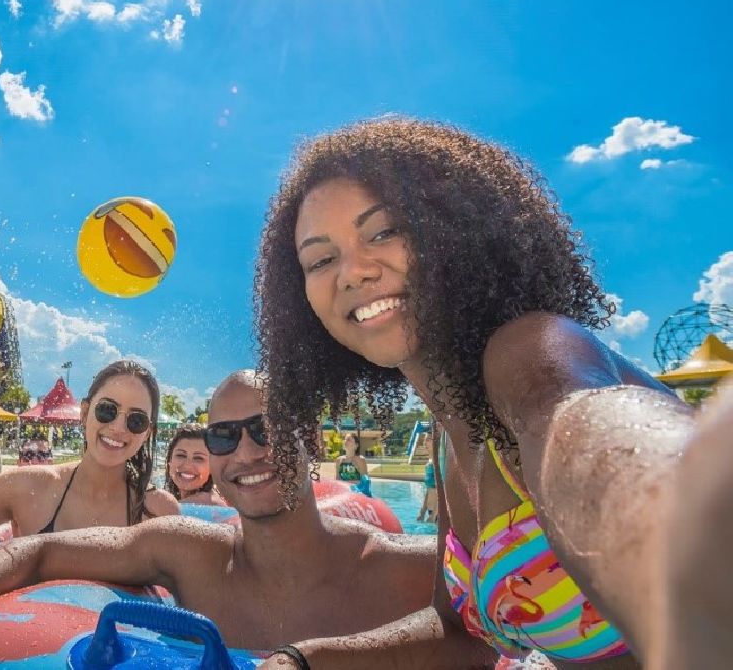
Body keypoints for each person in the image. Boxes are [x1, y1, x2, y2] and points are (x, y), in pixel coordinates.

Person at [253, 117, 698, 668]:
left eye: (385, 231)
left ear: (454, 232)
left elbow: (616, 451)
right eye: (320, 259)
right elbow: (460, 638)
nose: (353, 271)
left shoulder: (529, 351)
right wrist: (300, 660)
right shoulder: (447, 438)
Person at [0, 370, 447, 669]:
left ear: (312, 442)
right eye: (224, 435)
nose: (245, 451)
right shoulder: (186, 549)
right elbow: (35, 552)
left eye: (267, 429)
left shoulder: (404, 571)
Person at [0, 360, 179, 540]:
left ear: (147, 432)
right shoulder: (31, 486)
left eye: (136, 420)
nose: (118, 427)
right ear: (84, 412)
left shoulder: (158, 510)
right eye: (107, 410)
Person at [164, 423, 221, 504]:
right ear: (170, 462)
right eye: (181, 455)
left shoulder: (212, 505)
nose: (188, 465)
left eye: (198, 458)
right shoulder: (172, 502)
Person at [334, 431, 372, 497]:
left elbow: (365, 482)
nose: (345, 441)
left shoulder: (360, 460)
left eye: (348, 440)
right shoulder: (339, 460)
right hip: (344, 493)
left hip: (357, 494)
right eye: (345, 439)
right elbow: (337, 480)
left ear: (356, 445)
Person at [418, 455, 438, 524]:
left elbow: (443, 492)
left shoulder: (441, 462)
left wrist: (434, 515)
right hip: (431, 511)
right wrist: (423, 511)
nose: (425, 443)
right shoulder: (429, 464)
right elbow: (429, 490)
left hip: (438, 512)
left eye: (428, 443)